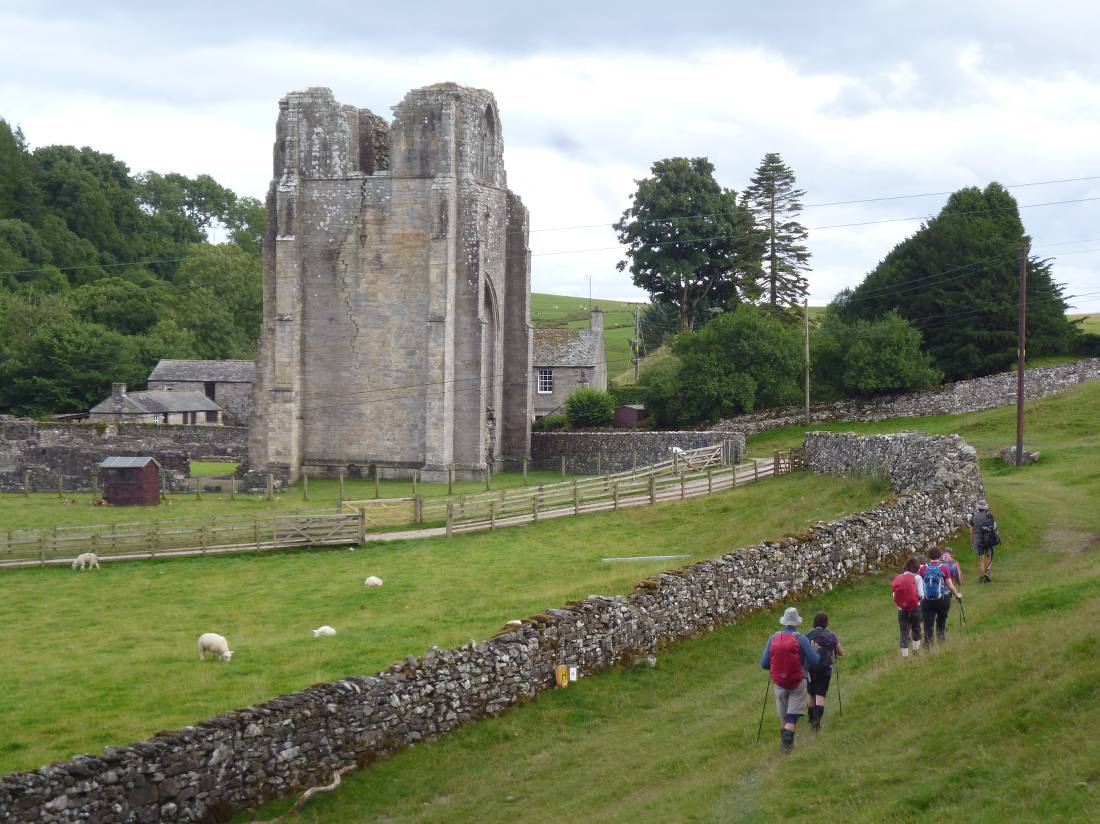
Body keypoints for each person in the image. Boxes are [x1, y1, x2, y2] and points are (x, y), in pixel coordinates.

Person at [760, 607, 820, 754]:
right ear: (796, 623)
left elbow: (764, 663)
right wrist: (816, 650)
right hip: (797, 681)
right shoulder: (801, 639)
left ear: (784, 622)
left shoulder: (773, 638)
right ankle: (786, 747)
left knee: (784, 715)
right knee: (792, 716)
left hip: (779, 683)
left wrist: (776, 667)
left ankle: (784, 746)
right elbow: (814, 661)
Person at [805, 612, 843, 732]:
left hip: (811, 669)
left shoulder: (808, 635)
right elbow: (840, 652)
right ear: (826, 622)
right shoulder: (831, 635)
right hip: (825, 669)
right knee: (820, 696)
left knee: (811, 694)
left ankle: (811, 719)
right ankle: (817, 722)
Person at [919, 547, 961, 648]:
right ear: (940, 556)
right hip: (943, 599)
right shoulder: (944, 568)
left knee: (928, 623)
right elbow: (950, 585)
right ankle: (941, 642)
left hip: (927, 600)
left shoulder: (923, 568)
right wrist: (957, 595)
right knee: (941, 620)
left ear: (928, 556)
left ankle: (928, 644)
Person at [891, 557, 924, 658]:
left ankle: (905, 656)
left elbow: (894, 595)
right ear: (917, 567)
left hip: (902, 609)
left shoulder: (898, 577)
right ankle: (915, 651)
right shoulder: (918, 578)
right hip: (915, 607)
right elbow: (921, 595)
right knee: (916, 629)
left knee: (904, 631)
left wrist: (902, 603)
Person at [969, 499, 1000, 583]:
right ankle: (987, 571)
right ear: (985, 507)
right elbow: (994, 528)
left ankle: (982, 578)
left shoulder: (974, 517)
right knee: (989, 556)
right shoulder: (989, 516)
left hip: (978, 541)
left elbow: (971, 531)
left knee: (981, 559)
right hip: (988, 540)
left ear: (978, 507)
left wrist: (972, 542)